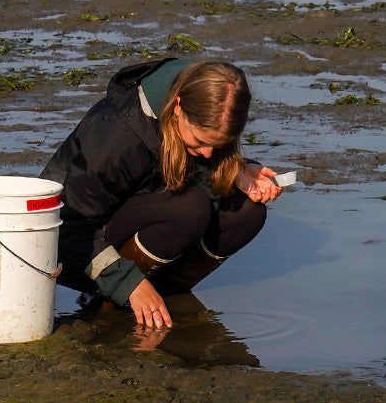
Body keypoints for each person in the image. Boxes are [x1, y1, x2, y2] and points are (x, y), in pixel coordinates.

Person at [41, 57, 284, 331]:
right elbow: (71, 225)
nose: (207, 154)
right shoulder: (119, 131)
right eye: (201, 141)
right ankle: (110, 300)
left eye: (220, 145)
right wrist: (126, 282)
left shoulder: (195, 122)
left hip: (141, 217)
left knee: (247, 211)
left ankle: (162, 298)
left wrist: (236, 170)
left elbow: (193, 166)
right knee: (188, 209)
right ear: (178, 107)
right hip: (77, 248)